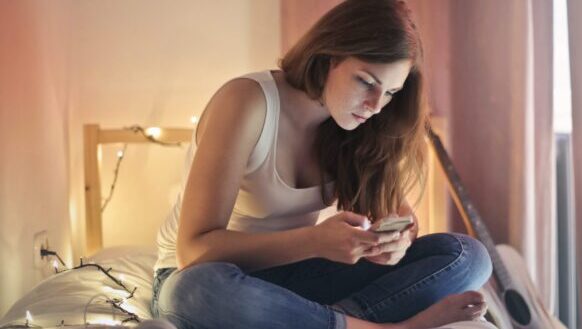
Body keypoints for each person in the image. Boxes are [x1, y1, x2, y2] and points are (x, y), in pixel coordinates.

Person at [150, 1, 492, 328]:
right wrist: (314, 241)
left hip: (293, 279)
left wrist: (395, 242)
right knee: (193, 290)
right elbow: (193, 251)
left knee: (469, 256)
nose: (375, 105)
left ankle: (330, 318)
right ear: (328, 56)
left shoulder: (355, 127)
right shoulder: (247, 102)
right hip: (208, 277)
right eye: (367, 82)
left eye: (390, 93)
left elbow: (399, 218)